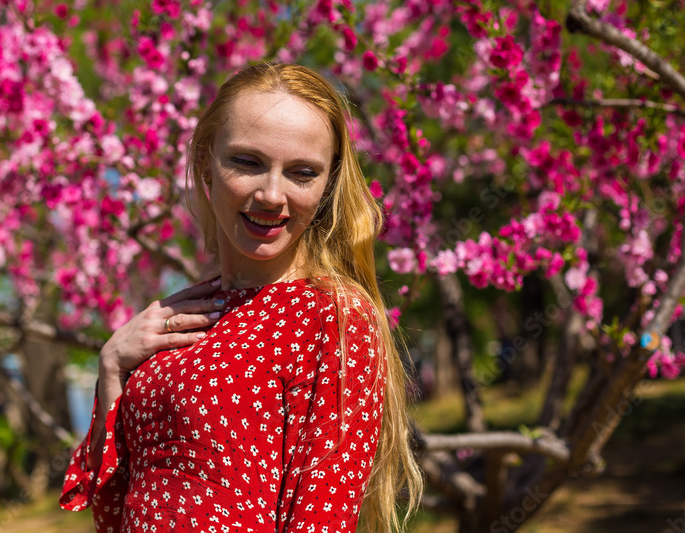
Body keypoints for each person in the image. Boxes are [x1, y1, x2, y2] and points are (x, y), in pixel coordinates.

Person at [59, 63, 423, 531]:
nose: (272, 194)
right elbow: (113, 508)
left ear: (327, 185)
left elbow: (319, 519)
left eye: (302, 172)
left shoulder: (330, 314)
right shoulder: (186, 312)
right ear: (207, 162)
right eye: (247, 162)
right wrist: (111, 368)